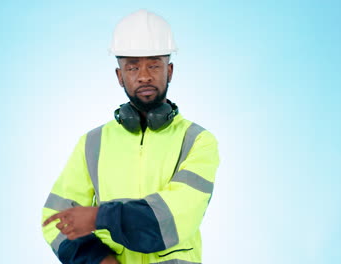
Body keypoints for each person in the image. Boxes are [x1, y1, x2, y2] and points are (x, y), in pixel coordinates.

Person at [41, 9, 220, 264]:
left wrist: (98, 217)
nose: (144, 75)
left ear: (169, 71)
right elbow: (55, 218)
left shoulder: (197, 141)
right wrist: (98, 259)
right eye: (133, 67)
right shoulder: (92, 143)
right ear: (119, 76)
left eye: (154, 65)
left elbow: (178, 214)